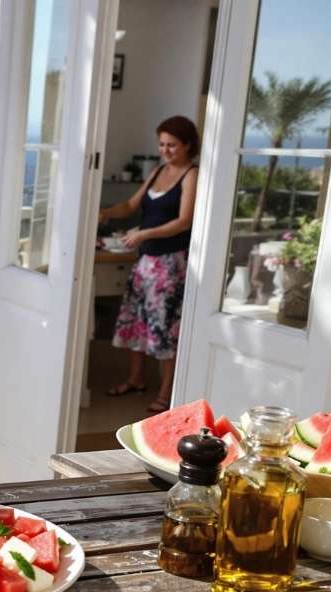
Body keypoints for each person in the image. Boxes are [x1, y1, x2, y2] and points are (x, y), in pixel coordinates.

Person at [99, 116, 200, 413]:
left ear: (188, 145)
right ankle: (136, 379)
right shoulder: (158, 172)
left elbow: (184, 222)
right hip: (146, 261)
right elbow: (131, 206)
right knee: (138, 322)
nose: (166, 150)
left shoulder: (191, 175)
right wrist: (104, 212)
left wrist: (143, 233)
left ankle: (167, 393)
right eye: (162, 144)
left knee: (164, 328)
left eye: (172, 145)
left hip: (170, 263)